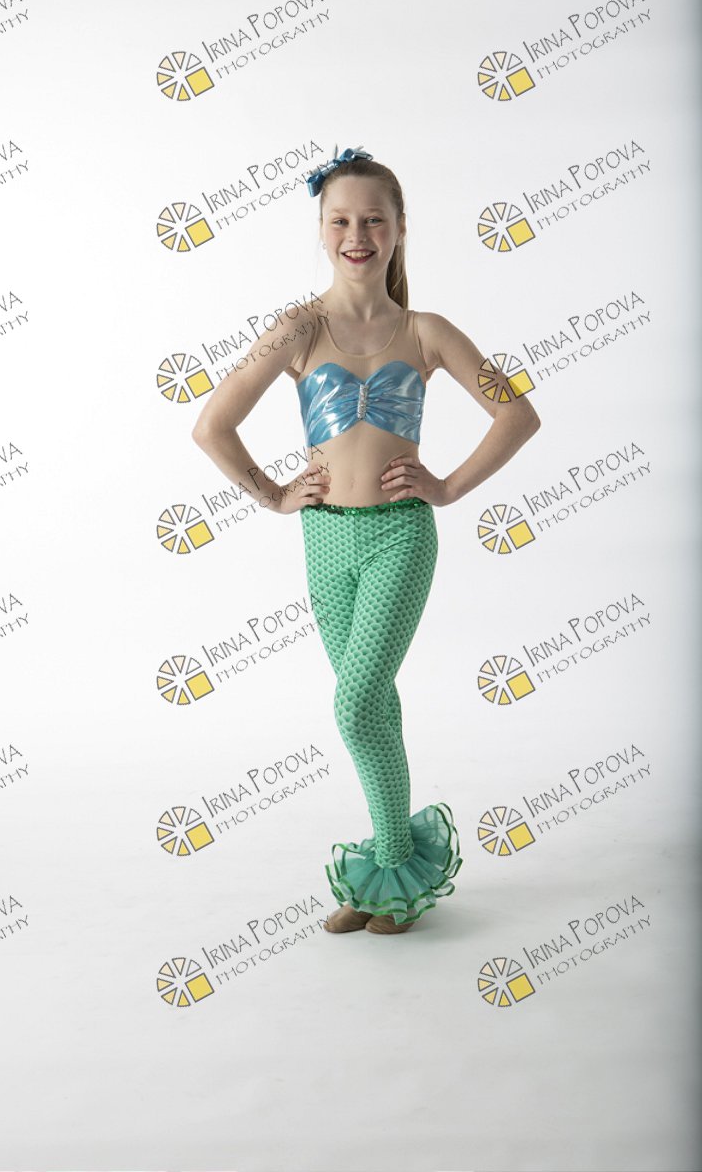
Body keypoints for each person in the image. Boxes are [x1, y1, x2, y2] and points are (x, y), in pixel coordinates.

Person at [192, 145, 541, 935]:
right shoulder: (297, 328)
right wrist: (274, 494)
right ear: (322, 229)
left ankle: (389, 870)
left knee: (353, 704)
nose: (358, 235)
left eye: (374, 220)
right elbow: (213, 425)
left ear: (400, 229)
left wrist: (446, 486)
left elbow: (517, 414)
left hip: (399, 537)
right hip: (323, 539)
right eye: (342, 220)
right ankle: (391, 874)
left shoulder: (426, 330)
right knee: (374, 705)